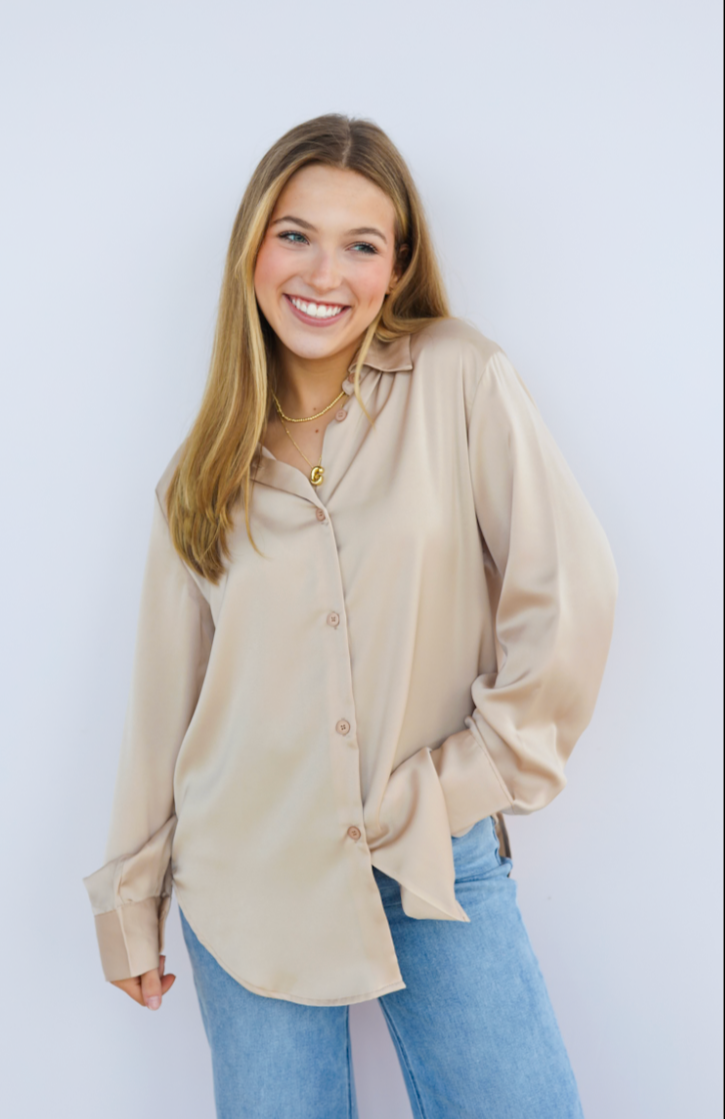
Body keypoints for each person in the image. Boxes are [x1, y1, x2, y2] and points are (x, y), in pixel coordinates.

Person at [83, 112, 618, 1118]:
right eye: (295, 234)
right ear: (253, 248)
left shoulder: (460, 377)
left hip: (434, 850)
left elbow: (569, 594)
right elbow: (163, 711)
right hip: (248, 871)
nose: (323, 273)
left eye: (360, 244)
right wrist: (130, 901)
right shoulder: (199, 474)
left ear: (396, 266)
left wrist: (469, 777)